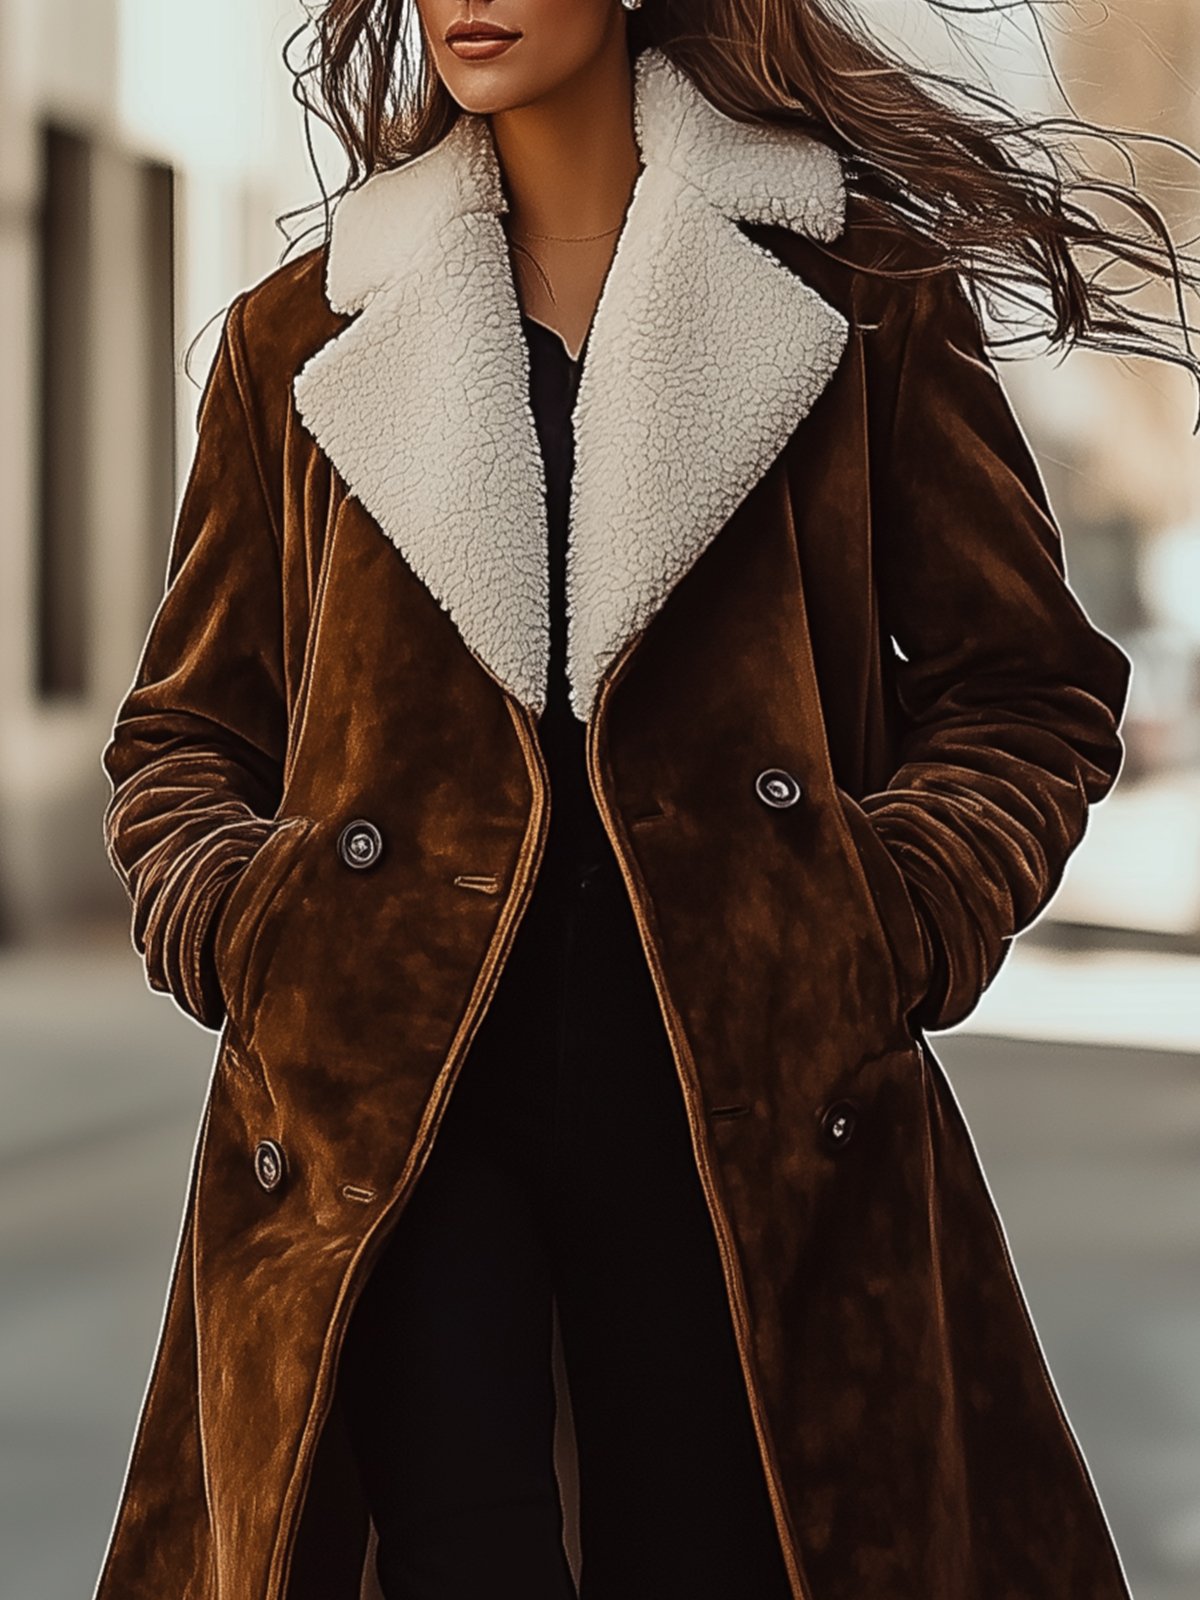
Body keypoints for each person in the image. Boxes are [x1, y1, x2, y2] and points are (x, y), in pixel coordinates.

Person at [95, 4, 1200, 1600]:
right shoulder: (303, 338)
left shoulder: (858, 299)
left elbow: (1027, 688)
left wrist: (876, 921)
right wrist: (253, 931)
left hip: (742, 1104)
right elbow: (182, 735)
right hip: (393, 1129)